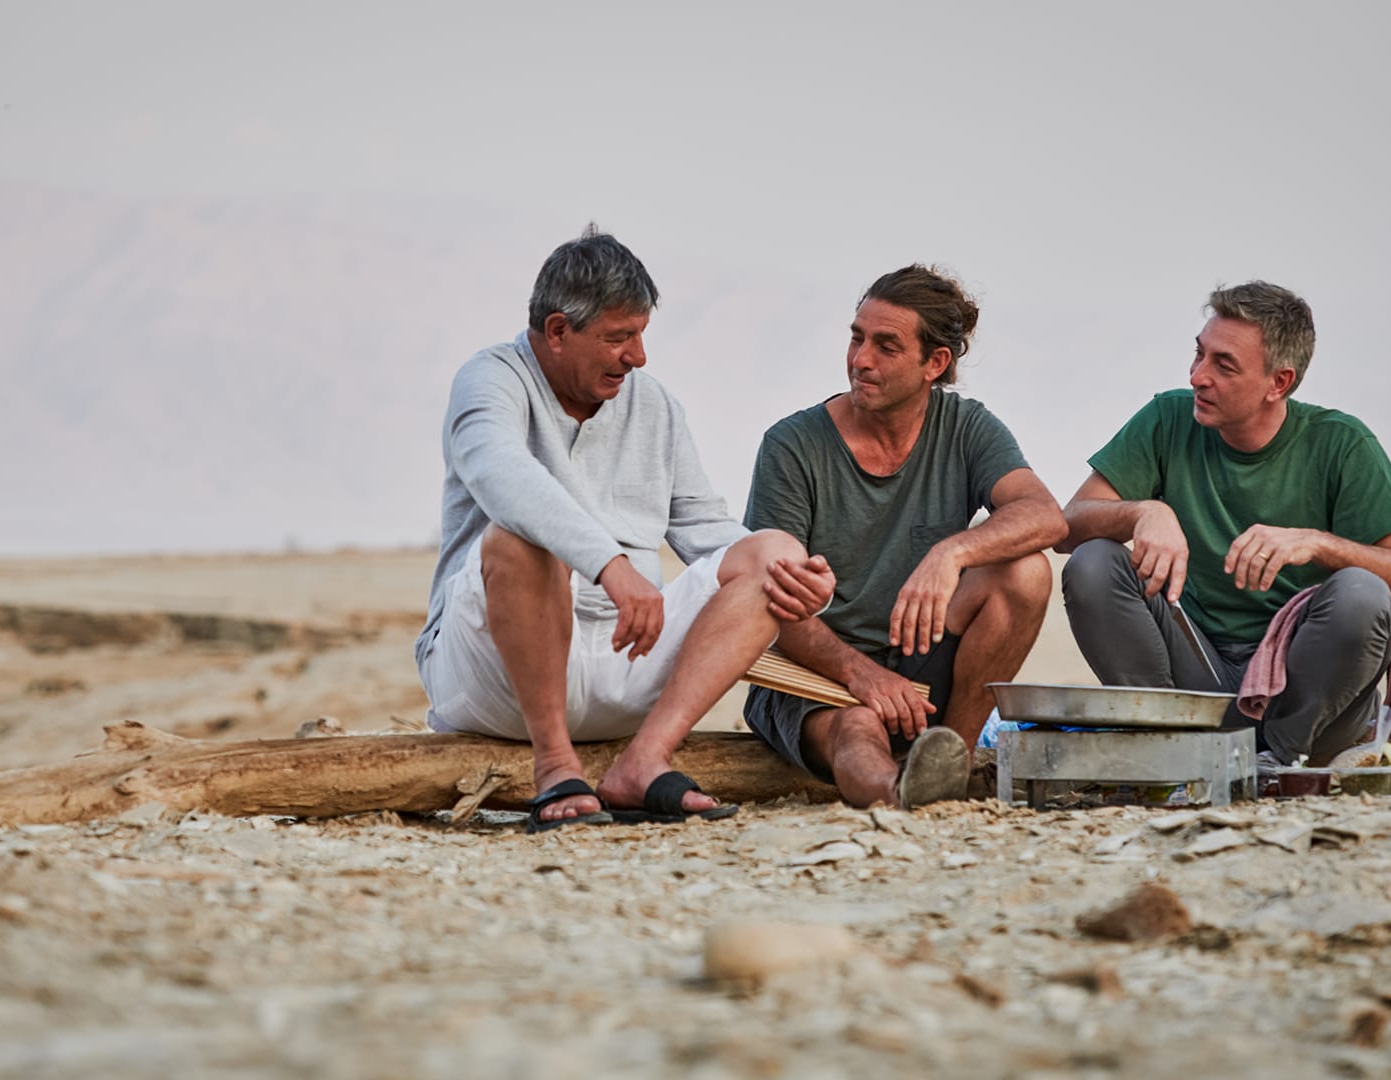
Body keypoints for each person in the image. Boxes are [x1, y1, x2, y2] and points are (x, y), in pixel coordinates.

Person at [415, 226, 836, 832]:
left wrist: (801, 581)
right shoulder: (490, 380)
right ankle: (554, 765)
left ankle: (645, 760)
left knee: (774, 553)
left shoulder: (654, 404)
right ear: (557, 331)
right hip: (491, 677)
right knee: (519, 537)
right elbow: (501, 474)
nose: (637, 357)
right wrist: (611, 566)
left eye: (640, 335)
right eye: (618, 338)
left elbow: (704, 528)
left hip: (629, 661)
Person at [1057, 281, 1391, 776]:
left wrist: (1317, 543)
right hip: (1198, 678)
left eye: (1223, 365)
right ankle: (1164, 746)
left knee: (1363, 592)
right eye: (1199, 354)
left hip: (1308, 699)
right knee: (1094, 561)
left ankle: (1278, 762)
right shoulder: (1168, 419)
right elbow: (1066, 527)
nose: (1198, 376)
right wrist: (1143, 512)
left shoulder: (1342, 443)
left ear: (1279, 382)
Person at [741, 265, 1066, 808]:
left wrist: (951, 552)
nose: (860, 359)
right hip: (814, 673)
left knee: (1025, 572)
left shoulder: (966, 427)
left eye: (886, 346)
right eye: (857, 338)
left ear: (934, 363)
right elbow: (773, 605)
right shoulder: (792, 446)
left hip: (917, 660)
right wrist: (862, 675)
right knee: (858, 727)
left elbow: (1045, 515)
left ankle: (951, 761)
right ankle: (899, 795)